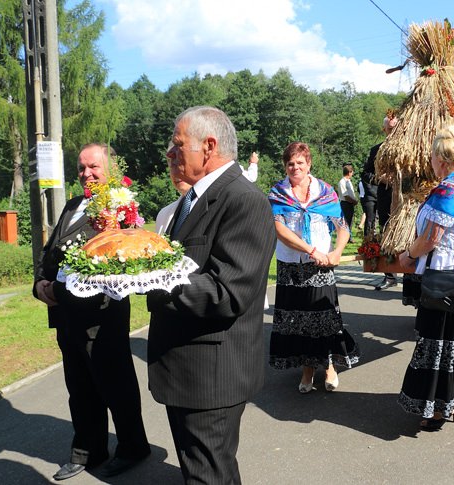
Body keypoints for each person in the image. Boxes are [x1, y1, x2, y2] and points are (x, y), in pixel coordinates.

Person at [146, 106, 276, 484]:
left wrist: (149, 276)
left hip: (212, 377)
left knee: (206, 474)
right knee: (209, 470)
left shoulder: (243, 200)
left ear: (209, 146)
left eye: (177, 145)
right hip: (190, 372)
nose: (170, 154)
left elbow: (226, 292)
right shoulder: (193, 199)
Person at [33, 143, 151, 481]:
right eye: (82, 168)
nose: (86, 174)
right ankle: (88, 451)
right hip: (66, 315)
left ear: (110, 169)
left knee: (116, 385)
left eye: (93, 167)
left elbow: (108, 265)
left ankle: (133, 447)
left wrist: (54, 290)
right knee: (80, 388)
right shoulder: (73, 204)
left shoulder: (118, 207)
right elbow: (50, 249)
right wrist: (40, 283)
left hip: (101, 316)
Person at [397, 126, 454, 431]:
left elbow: (431, 237)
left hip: (449, 274)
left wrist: (409, 255)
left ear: (442, 160)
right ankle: (450, 404)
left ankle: (435, 409)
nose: (431, 162)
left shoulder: (449, 189)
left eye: (433, 157)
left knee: (439, 340)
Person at [268, 141, 359, 393]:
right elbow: (279, 230)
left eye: (299, 162)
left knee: (324, 317)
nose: (295, 167)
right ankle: (307, 370)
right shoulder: (277, 193)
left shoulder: (325, 191)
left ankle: (328, 365)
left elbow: (342, 226)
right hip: (291, 264)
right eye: (290, 163)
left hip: (321, 266)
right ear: (285, 167)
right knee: (299, 320)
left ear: (308, 164)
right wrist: (311, 250)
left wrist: (337, 252)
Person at [365, 112, 399, 290]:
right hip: (385, 198)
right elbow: (366, 174)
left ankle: (412, 275)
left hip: (406, 199)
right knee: (386, 232)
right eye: (390, 128)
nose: (393, 131)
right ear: (384, 129)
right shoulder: (376, 150)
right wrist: (380, 178)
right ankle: (390, 275)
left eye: (396, 128)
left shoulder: (409, 148)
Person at [338, 163, 358, 243]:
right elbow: (345, 196)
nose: (352, 173)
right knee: (345, 221)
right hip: (345, 203)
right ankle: (344, 238)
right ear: (349, 172)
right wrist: (354, 201)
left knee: (350, 221)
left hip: (350, 204)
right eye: (352, 172)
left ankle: (349, 237)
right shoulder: (342, 182)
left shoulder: (348, 181)